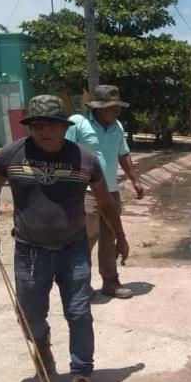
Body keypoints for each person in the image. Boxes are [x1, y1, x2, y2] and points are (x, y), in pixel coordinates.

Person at [0, 95, 130, 382]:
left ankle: (81, 377)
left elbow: (105, 203)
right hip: (30, 251)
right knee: (31, 316)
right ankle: (44, 352)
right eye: (37, 125)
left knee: (79, 314)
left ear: (64, 128)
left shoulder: (85, 160)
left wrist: (120, 236)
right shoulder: (12, 154)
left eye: (50, 125)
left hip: (73, 248)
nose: (43, 131)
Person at [65, 85, 144, 300]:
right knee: (86, 239)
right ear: (99, 108)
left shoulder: (117, 125)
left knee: (109, 239)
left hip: (111, 192)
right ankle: (81, 285)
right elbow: (64, 154)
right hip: (86, 193)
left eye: (118, 106)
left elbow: (123, 154)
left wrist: (135, 179)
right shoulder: (77, 124)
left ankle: (110, 282)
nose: (117, 111)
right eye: (113, 107)